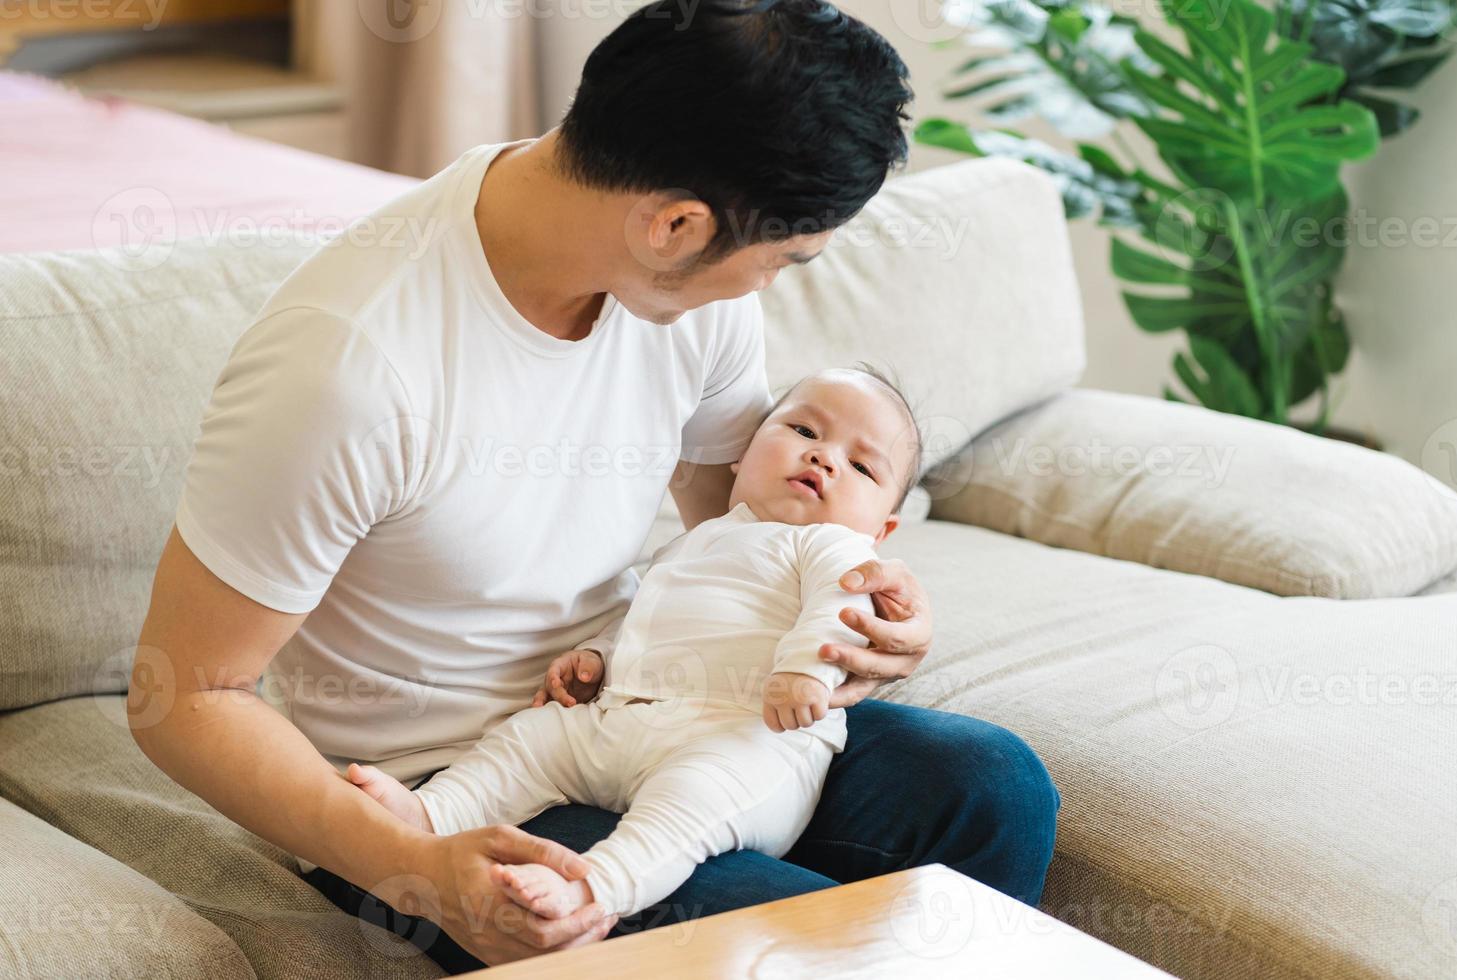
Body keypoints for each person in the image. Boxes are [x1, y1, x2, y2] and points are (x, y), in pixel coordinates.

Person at [128, 0, 1059, 972]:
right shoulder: (348, 367)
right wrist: (417, 862)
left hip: (660, 702)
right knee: (805, 949)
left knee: (993, 784)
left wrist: (860, 629)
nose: (769, 287)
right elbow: (184, 694)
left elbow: (739, 532)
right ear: (675, 224)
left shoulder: (687, 296)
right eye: (782, 258)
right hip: (446, 787)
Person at [346, 368, 918, 921]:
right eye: (804, 431)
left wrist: (806, 672)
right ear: (739, 454)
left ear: (882, 530)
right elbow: (647, 616)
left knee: (687, 804)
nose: (824, 457)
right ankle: (432, 811)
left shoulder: (833, 547)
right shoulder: (697, 542)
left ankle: (596, 885)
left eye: (862, 465)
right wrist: (599, 655)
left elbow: (839, 608)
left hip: (748, 739)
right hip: (625, 723)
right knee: (532, 739)